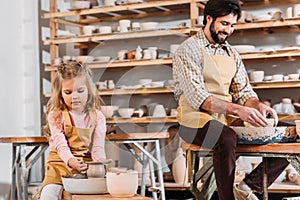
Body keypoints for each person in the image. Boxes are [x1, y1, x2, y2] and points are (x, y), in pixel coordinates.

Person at [172, 0, 290, 199]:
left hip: (226, 118)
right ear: (209, 18)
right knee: (225, 137)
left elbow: (243, 92)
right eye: (224, 24)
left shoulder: (232, 53)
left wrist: (257, 106)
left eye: (233, 25)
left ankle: (248, 187)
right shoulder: (188, 50)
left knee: (286, 131)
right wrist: (239, 110)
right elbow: (197, 97)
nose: (229, 30)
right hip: (194, 120)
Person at [34, 61, 107, 199]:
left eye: (80, 91)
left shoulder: (98, 117)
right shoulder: (56, 115)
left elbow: (97, 149)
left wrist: (101, 164)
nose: (74, 96)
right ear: (60, 93)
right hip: (59, 166)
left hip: (85, 167)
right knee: (48, 194)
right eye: (68, 92)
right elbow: (61, 146)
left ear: (89, 90)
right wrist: (71, 161)